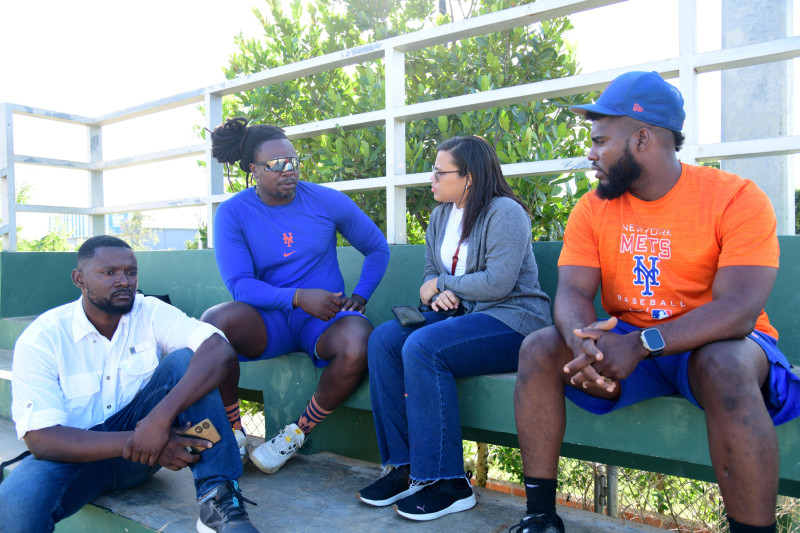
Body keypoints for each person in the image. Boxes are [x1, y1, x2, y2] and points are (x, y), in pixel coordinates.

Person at [510, 71, 800, 533]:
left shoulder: (735, 198)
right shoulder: (593, 207)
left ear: (642, 138)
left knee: (724, 364)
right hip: (632, 345)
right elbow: (572, 292)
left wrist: (643, 343)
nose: (591, 153)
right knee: (541, 348)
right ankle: (540, 517)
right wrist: (583, 342)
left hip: (717, 344)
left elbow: (739, 312)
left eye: (601, 140)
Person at [0, 236, 258, 533]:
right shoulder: (43, 338)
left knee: (189, 360)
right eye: (109, 273)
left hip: (144, 457)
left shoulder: (148, 311)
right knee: (13, 506)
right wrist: (148, 439)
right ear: (79, 279)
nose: (124, 281)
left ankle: (218, 497)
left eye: (131, 272)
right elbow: (42, 439)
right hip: (76, 457)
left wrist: (158, 421)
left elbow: (219, 349)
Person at [357, 135, 552, 521]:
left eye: (439, 171)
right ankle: (405, 468)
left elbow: (498, 282)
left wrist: (444, 286)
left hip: (514, 320)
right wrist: (435, 293)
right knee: (383, 340)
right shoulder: (440, 215)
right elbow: (432, 273)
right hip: (461, 316)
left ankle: (448, 482)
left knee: (423, 347)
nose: (431, 178)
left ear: (470, 177)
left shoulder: (505, 212)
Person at [204, 118, 390, 473]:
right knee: (215, 323)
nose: (288, 171)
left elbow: (377, 249)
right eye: (276, 165)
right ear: (253, 169)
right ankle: (234, 431)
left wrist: (360, 296)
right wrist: (297, 297)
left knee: (359, 341)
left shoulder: (326, 201)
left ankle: (295, 434)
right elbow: (239, 284)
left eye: (293, 161)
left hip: (322, 319)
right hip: (269, 320)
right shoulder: (233, 212)